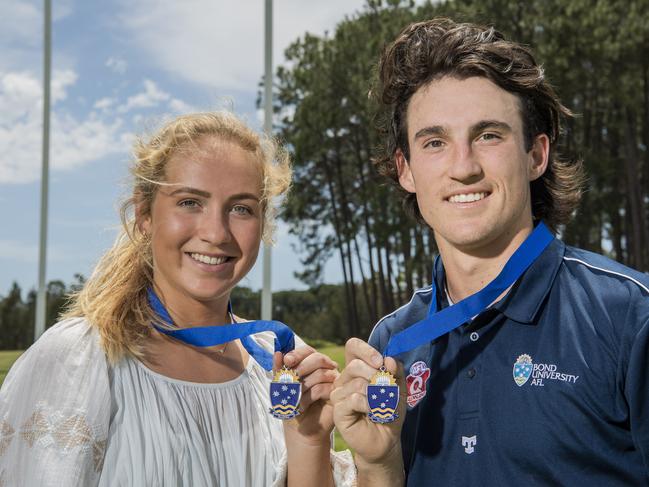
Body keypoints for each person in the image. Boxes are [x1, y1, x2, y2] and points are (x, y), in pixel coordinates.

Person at [331, 18, 649, 486]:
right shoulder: (391, 343)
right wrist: (379, 467)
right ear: (407, 170)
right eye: (435, 142)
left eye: (488, 135)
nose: (463, 167)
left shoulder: (630, 318)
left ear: (536, 155)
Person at [0, 112, 354, 486]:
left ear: (262, 224)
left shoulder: (282, 365)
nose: (216, 233)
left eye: (241, 209)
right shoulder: (79, 359)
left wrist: (308, 441)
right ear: (145, 215)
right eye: (190, 202)